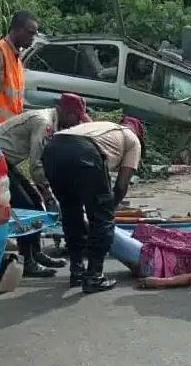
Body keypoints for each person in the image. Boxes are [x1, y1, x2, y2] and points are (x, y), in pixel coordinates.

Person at [42, 117, 145, 293]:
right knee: (101, 220)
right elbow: (121, 186)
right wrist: (107, 213)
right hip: (84, 152)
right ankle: (94, 276)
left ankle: (77, 271)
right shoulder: (133, 140)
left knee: (70, 213)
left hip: (53, 150)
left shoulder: (100, 127)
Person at [0, 93, 91, 277]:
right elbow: (36, 165)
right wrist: (48, 193)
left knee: (35, 202)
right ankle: (28, 261)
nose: (75, 124)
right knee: (28, 207)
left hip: (7, 161)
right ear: (65, 112)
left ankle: (36, 253)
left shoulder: (51, 120)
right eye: (75, 118)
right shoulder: (45, 123)